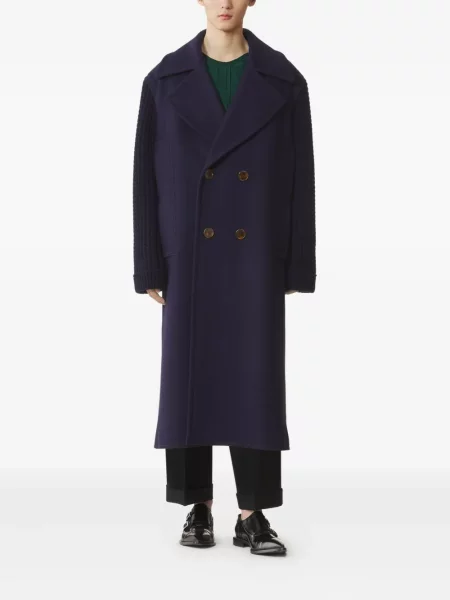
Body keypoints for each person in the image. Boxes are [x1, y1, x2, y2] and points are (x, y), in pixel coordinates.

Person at [132, 0, 316, 556]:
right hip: (188, 253)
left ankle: (253, 512)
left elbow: (301, 177)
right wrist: (149, 262)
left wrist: (297, 263)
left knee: (255, 379)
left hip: (254, 253)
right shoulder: (164, 79)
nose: (226, 2)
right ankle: (197, 505)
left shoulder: (284, 80)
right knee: (189, 377)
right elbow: (145, 179)